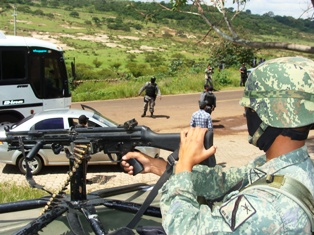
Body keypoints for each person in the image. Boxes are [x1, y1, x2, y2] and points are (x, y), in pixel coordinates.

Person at [122, 56, 314, 234]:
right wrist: (159, 166)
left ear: (272, 113)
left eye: (249, 108)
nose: (246, 115)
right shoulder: (286, 167)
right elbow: (223, 181)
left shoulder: (268, 208)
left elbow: (185, 228)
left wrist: (183, 169)